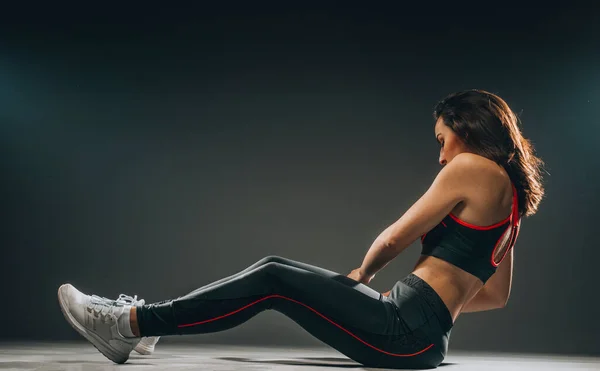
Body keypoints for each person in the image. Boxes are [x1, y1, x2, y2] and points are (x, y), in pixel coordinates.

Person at [57, 89, 545, 369]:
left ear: (468, 126)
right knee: (277, 272)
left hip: (403, 329)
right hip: (422, 336)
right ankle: (148, 326)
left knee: (272, 279)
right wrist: (436, 307)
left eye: (443, 139)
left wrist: (363, 274)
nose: (440, 155)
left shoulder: (473, 168)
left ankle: (129, 325)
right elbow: (495, 294)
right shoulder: (512, 202)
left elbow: (394, 237)